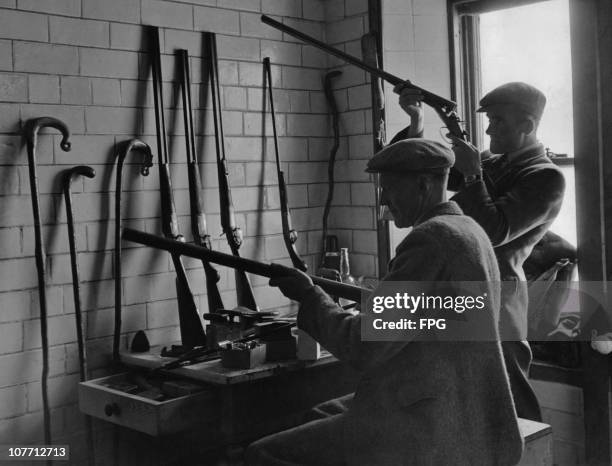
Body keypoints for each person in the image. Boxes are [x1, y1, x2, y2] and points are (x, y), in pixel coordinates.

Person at [245, 139, 523, 466]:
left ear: (423, 185)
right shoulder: (469, 230)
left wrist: (309, 296)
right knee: (318, 414)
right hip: (464, 411)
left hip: (428, 428)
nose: (383, 199)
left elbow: (367, 345)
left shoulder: (430, 239)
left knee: (262, 453)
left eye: (389, 188)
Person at [394, 81, 566, 422]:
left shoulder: (546, 178)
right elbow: (421, 168)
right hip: (464, 296)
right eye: (488, 119)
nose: (488, 129)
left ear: (528, 126)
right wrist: (416, 121)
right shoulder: (493, 162)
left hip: (500, 301)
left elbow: (495, 230)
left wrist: (473, 173)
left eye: (498, 121)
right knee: (468, 412)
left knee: (514, 410)